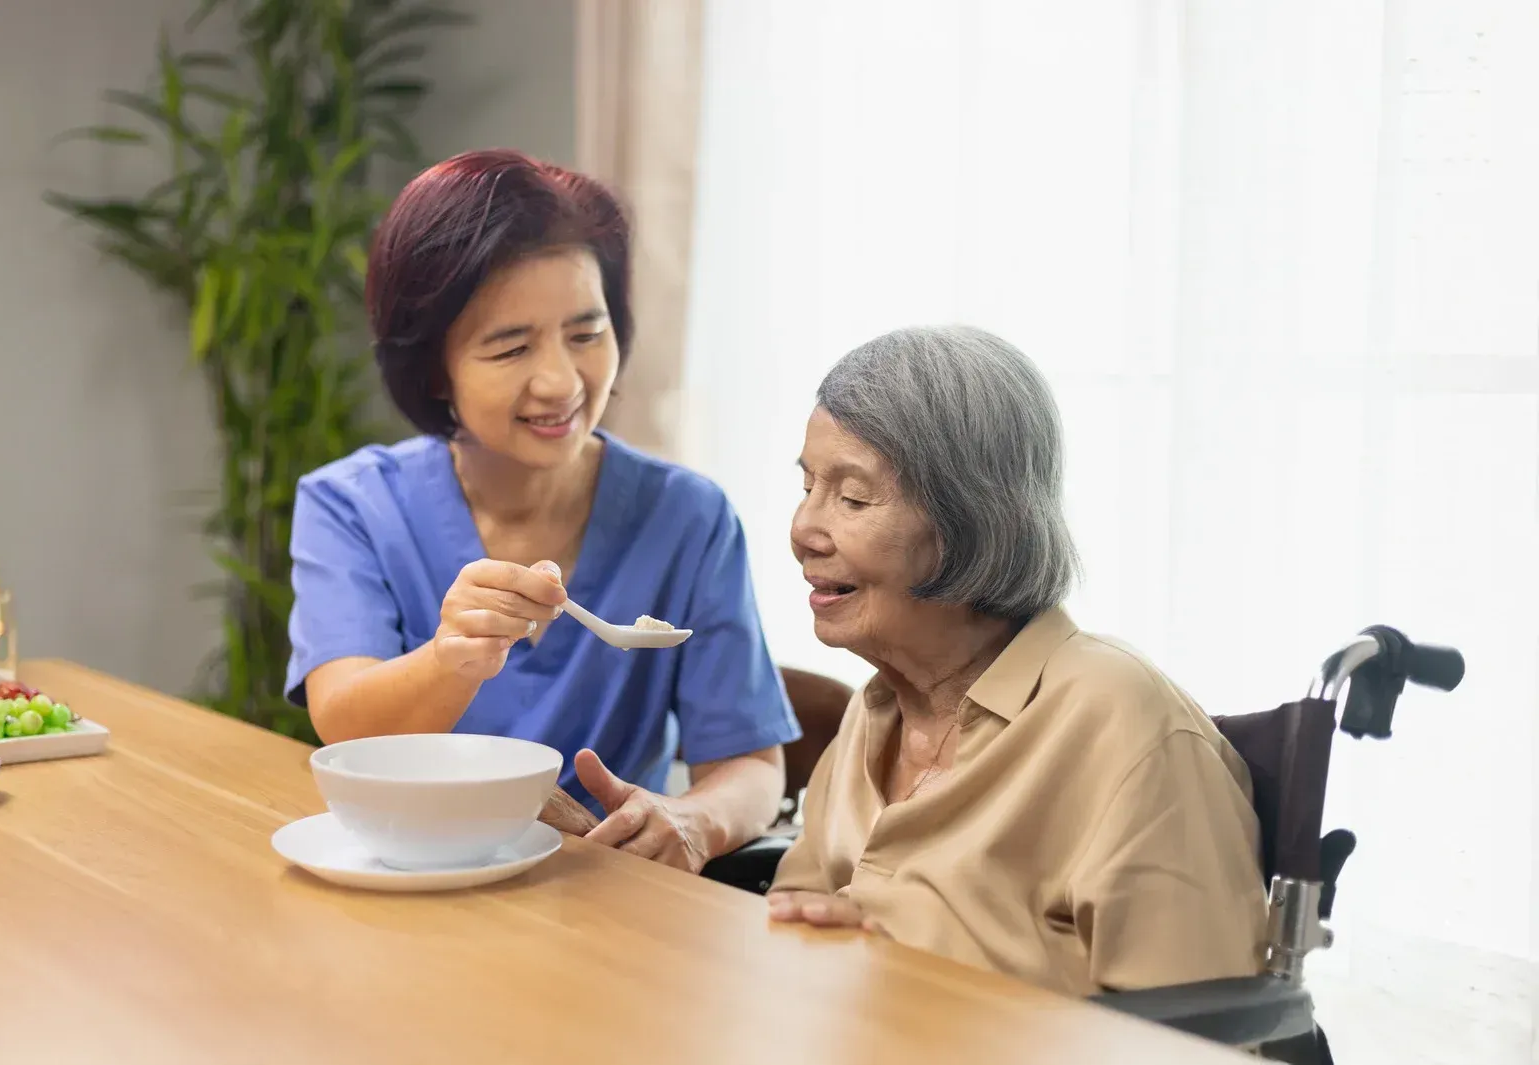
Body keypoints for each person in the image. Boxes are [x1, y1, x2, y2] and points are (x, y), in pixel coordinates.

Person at [285, 149, 799, 872]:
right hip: (414, 881)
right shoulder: (353, 506)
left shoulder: (687, 517)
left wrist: (691, 819)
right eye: (511, 347)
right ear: (434, 367)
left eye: (586, 335)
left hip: (612, 897)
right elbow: (345, 723)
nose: (560, 381)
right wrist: (449, 659)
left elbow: (750, 762)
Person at [766, 325, 1266, 994]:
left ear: (969, 519)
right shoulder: (875, 710)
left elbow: (1204, 1038)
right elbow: (791, 927)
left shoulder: (1120, 722)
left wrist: (921, 983)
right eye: (807, 488)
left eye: (853, 497)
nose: (802, 530)